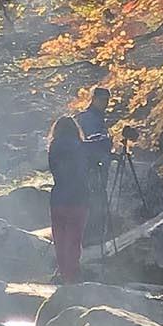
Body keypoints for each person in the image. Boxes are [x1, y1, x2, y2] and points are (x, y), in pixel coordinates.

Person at [46, 114, 94, 284]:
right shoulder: (81, 147)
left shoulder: (53, 146)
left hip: (58, 198)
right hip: (78, 198)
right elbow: (85, 169)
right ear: (75, 130)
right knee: (74, 238)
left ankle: (63, 271)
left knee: (60, 238)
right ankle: (72, 274)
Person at [77, 89, 118, 249]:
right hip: (90, 168)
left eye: (107, 99)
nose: (105, 103)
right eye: (102, 99)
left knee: (98, 199)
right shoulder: (87, 118)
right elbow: (85, 145)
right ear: (93, 99)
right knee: (94, 200)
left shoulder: (97, 118)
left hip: (97, 166)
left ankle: (95, 235)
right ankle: (91, 237)